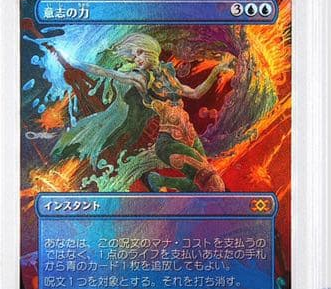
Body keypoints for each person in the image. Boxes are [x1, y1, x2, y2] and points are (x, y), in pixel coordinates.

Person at [57, 32, 233, 192]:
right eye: (134, 57)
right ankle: (158, 181)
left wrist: (215, 71)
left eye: (139, 53)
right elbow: (108, 73)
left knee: (200, 186)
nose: (137, 59)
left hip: (190, 136)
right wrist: (76, 63)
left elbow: (195, 93)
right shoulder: (141, 78)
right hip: (169, 141)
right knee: (213, 183)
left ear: (150, 49)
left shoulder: (167, 73)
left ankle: (158, 180)